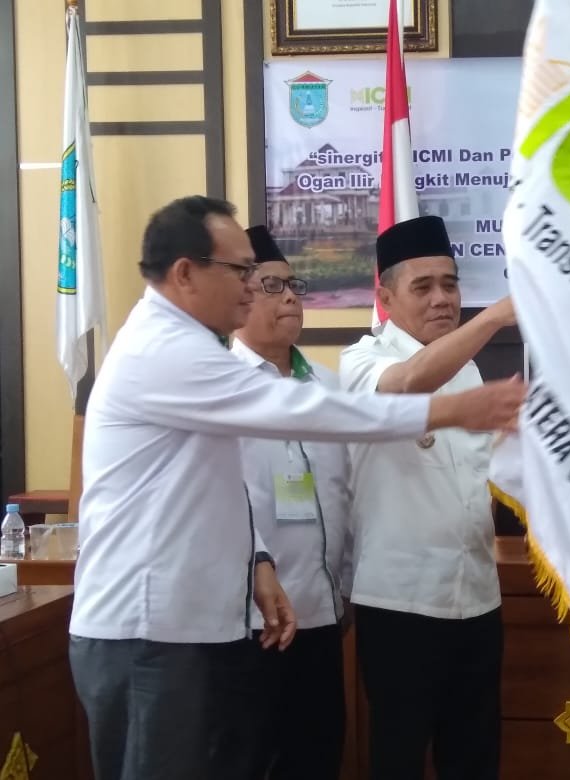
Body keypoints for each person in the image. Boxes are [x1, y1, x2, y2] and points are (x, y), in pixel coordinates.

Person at [68, 196, 525, 780]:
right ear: (185, 273)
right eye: (239, 272)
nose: (251, 287)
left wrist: (256, 558)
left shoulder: (193, 349)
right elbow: (302, 410)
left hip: (205, 622)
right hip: (148, 632)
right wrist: (450, 410)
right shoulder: (168, 352)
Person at [340, 215, 514, 779]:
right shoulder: (361, 362)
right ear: (385, 297)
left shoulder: (467, 370)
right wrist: (496, 315)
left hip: (477, 599)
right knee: (399, 759)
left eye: (451, 284)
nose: (443, 299)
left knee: (475, 758)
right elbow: (404, 385)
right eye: (424, 287)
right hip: (402, 606)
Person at [230, 225, 352, 779]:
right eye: (273, 286)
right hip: (251, 622)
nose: (291, 298)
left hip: (324, 615)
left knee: (319, 756)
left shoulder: (328, 388)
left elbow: (348, 494)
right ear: (240, 296)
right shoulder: (220, 387)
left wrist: (346, 587)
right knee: (257, 761)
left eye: (294, 285)